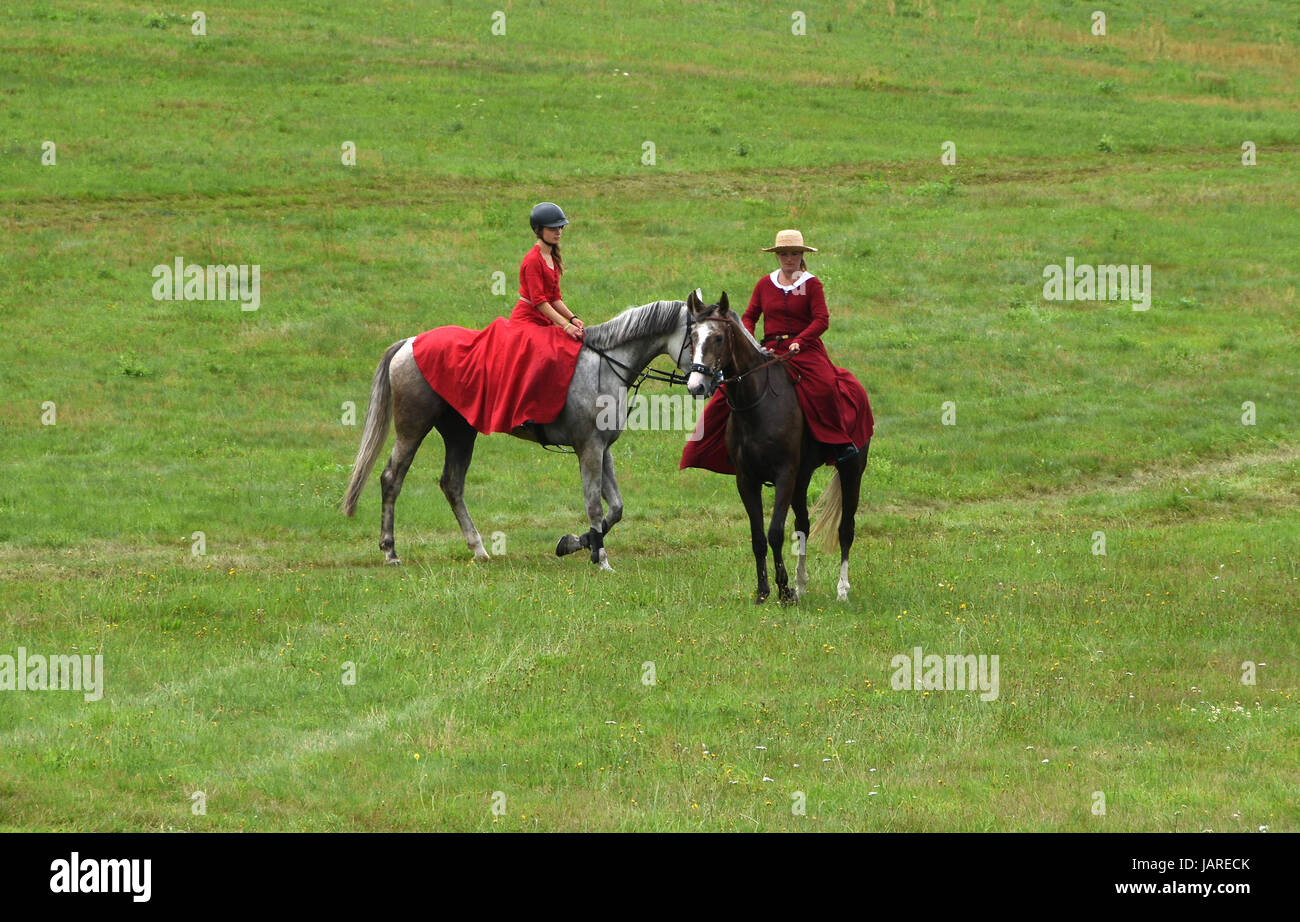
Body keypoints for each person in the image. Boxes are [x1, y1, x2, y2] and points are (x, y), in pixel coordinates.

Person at [680, 228, 874, 474]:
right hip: (769, 350)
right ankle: (713, 446)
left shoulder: (811, 285)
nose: (789, 258)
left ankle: (838, 443)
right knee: (727, 390)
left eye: (794, 253)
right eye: (784, 254)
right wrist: (750, 341)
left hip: (805, 351)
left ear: (802, 255)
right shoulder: (765, 284)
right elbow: (749, 316)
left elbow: (821, 319)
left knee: (824, 385)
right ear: (777, 256)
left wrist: (800, 341)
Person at [410, 203, 586, 435]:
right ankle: (527, 413)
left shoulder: (552, 256)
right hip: (526, 321)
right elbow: (540, 301)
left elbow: (555, 297)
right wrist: (563, 326)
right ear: (538, 230)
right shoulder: (532, 260)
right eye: (553, 228)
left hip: (542, 320)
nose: (558, 231)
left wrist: (572, 318)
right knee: (543, 353)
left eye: (560, 227)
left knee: (564, 346)